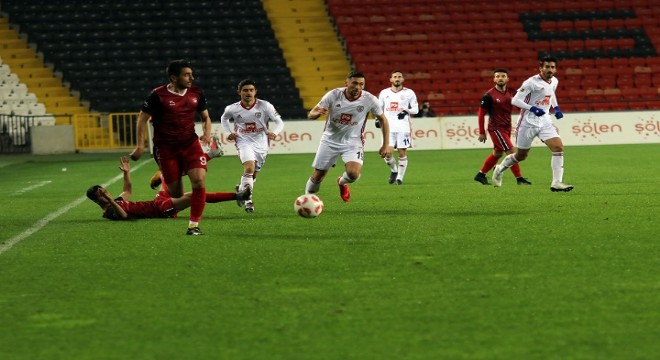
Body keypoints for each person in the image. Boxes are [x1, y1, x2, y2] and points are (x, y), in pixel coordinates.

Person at [129, 59, 214, 235]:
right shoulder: (157, 95)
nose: (191, 78)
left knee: (199, 181)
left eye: (191, 74)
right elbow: (142, 119)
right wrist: (139, 147)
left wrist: (206, 133)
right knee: (176, 194)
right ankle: (169, 174)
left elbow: (205, 117)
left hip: (190, 144)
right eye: (187, 75)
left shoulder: (196, 92)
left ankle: (193, 226)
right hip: (166, 149)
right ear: (174, 78)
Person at [305, 71, 392, 201]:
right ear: (346, 82)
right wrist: (317, 114)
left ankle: (342, 182)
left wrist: (385, 144)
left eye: (361, 84)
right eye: (354, 83)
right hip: (330, 140)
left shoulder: (370, 99)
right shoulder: (333, 95)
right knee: (319, 175)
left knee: (353, 174)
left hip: (353, 142)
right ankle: (308, 200)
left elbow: (383, 119)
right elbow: (311, 114)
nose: (357, 87)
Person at [492, 55, 573, 192]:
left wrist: (556, 108)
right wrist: (533, 108)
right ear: (540, 68)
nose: (550, 70)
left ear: (556, 70)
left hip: (545, 120)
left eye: (552, 67)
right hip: (527, 122)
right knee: (521, 156)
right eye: (547, 67)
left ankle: (556, 183)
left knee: (558, 147)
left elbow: (551, 94)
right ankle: (500, 169)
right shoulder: (531, 82)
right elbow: (515, 100)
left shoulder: (554, 81)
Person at [86, 157, 250, 220]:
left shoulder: (116, 201)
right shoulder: (108, 211)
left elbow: (127, 190)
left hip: (157, 202)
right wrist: (109, 201)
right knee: (195, 195)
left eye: (105, 190)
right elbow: (122, 216)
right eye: (102, 194)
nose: (107, 193)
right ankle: (239, 196)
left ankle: (209, 156)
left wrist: (127, 173)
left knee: (167, 175)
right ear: (96, 200)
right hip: (160, 210)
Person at [220, 79, 284, 213]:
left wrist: (275, 132)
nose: (248, 92)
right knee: (249, 167)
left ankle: (242, 188)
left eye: (251, 90)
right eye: (245, 90)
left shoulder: (265, 106)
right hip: (243, 141)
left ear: (255, 92)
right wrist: (228, 133)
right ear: (239, 92)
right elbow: (224, 118)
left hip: (261, 143)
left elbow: (279, 122)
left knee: (253, 175)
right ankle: (248, 200)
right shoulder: (232, 108)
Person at [474, 68, 532, 186]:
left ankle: (481, 174)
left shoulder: (512, 93)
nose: (500, 78)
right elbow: (481, 114)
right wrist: (481, 132)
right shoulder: (488, 95)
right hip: (496, 128)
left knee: (498, 153)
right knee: (512, 152)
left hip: (506, 127)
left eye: (503, 76)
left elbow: (520, 105)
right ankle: (519, 178)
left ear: (507, 79)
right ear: (494, 79)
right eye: (498, 76)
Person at [378, 70, 419, 185]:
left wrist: (406, 111)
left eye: (399, 77)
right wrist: (378, 119)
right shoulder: (384, 93)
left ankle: (399, 178)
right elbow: (378, 108)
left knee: (401, 152)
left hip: (403, 127)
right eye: (395, 77)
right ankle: (394, 170)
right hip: (388, 127)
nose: (397, 79)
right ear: (390, 79)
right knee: (387, 153)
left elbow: (416, 109)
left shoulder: (409, 93)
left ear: (403, 79)